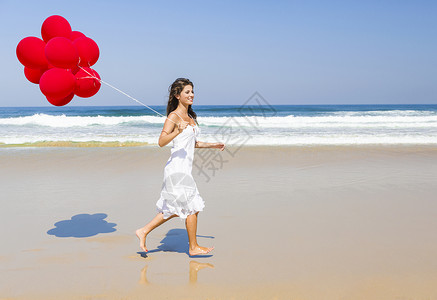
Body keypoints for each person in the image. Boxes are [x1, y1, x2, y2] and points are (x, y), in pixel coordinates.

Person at [136, 78, 225, 256]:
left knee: (177, 208)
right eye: (187, 92)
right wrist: (177, 130)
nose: (191, 95)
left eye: (192, 92)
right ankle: (193, 247)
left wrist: (213, 145)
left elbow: (192, 143)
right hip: (176, 169)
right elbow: (161, 142)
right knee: (192, 206)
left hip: (184, 168)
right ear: (177, 95)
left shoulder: (190, 117)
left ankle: (144, 230)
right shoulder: (173, 117)